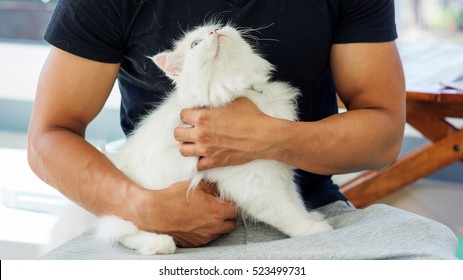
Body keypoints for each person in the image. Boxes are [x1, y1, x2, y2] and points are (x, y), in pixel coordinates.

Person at [28, 0, 458, 259]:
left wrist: (271, 138)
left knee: (430, 248)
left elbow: (384, 133)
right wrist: (141, 207)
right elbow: (47, 136)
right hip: (160, 223)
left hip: (307, 211)